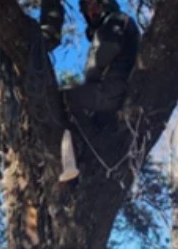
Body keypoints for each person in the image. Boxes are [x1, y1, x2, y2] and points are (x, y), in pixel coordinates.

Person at [58, 0, 141, 182]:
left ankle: (93, 146)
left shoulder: (115, 21)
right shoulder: (114, 23)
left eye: (94, 4)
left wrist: (89, 81)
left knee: (66, 97)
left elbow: (101, 56)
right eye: (87, 8)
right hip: (115, 89)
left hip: (113, 89)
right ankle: (85, 151)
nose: (91, 11)